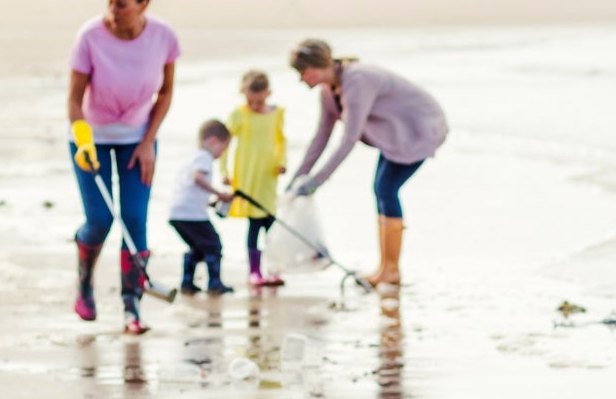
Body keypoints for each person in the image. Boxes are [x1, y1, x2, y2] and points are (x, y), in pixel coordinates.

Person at [67, 0, 179, 335]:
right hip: (91, 140)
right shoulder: (90, 35)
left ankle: (132, 307)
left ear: (143, 4)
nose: (112, 10)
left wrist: (148, 141)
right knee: (100, 220)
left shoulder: (163, 37)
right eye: (110, 2)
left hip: (137, 140)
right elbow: (74, 98)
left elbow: (165, 93)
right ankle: (84, 282)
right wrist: (83, 139)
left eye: (122, 4)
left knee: (134, 219)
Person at [287, 39, 447, 290]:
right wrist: (297, 179)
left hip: (418, 130)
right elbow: (321, 137)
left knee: (386, 189)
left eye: (302, 72)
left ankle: (390, 270)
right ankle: (385, 269)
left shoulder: (357, 81)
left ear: (316, 66)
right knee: (382, 189)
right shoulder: (329, 91)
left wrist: (316, 182)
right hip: (395, 136)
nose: (301, 79)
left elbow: (349, 139)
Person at [225, 69, 288, 288]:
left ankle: (274, 269)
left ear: (268, 93)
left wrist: (283, 162)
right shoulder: (239, 114)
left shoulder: (276, 114)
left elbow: (281, 141)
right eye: (250, 101)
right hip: (247, 176)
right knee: (254, 223)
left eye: (259, 101)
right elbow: (225, 144)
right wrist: (224, 172)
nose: (255, 106)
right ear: (243, 94)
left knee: (272, 224)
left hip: (268, 177)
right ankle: (254, 271)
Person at [167, 120, 235, 296]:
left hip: (177, 212)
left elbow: (190, 188)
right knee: (213, 244)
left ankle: (187, 282)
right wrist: (220, 194)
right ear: (213, 141)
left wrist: (211, 202)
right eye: (223, 148)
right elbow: (198, 178)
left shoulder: (191, 157)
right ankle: (214, 283)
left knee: (198, 247)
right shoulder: (204, 157)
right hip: (191, 214)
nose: (221, 154)